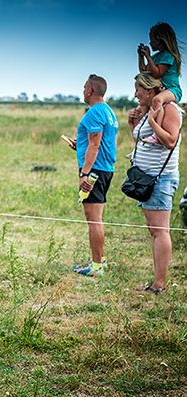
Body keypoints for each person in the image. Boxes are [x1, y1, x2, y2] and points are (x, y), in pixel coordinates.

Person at [128, 72, 182, 294]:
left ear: (150, 90)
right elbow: (144, 142)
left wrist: (151, 121)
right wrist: (133, 123)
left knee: (160, 231)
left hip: (160, 179)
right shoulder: (149, 110)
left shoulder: (169, 109)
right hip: (146, 179)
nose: (135, 94)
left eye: (138, 90)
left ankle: (159, 285)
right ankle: (156, 282)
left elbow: (169, 141)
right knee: (154, 231)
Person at [64, 75, 118, 277]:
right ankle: (99, 259)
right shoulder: (108, 111)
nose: (82, 90)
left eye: (84, 86)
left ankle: (96, 266)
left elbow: (95, 145)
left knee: (93, 219)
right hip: (104, 168)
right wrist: (80, 146)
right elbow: (99, 142)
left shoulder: (94, 112)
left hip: (94, 170)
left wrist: (84, 174)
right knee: (95, 218)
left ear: (90, 90)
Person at [134, 22, 182, 133]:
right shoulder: (156, 57)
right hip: (161, 90)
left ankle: (157, 130)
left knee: (157, 100)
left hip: (172, 90)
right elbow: (144, 72)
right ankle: (141, 132)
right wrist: (141, 57)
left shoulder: (168, 55)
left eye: (152, 40)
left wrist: (148, 57)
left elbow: (157, 74)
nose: (150, 43)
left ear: (160, 40)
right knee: (143, 107)